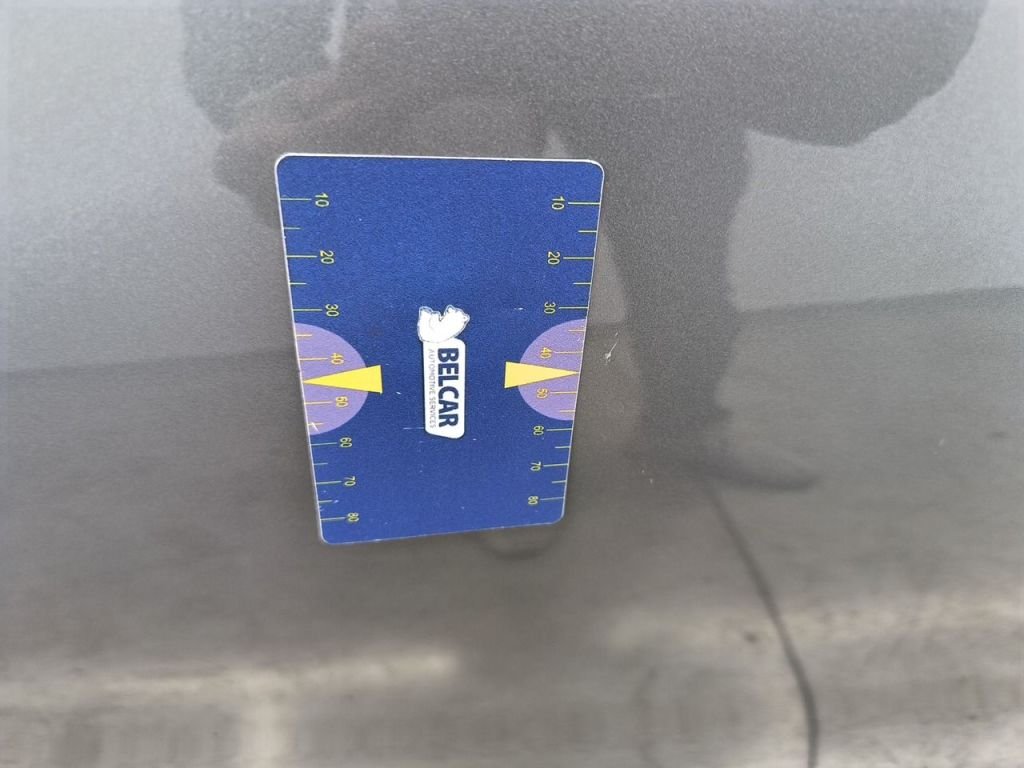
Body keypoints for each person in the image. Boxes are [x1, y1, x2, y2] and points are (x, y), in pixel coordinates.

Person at [184, 0, 982, 497]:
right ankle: (452, 458)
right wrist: (279, 95)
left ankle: (686, 425)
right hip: (450, 55)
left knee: (684, 261)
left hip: (647, 56)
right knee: (456, 276)